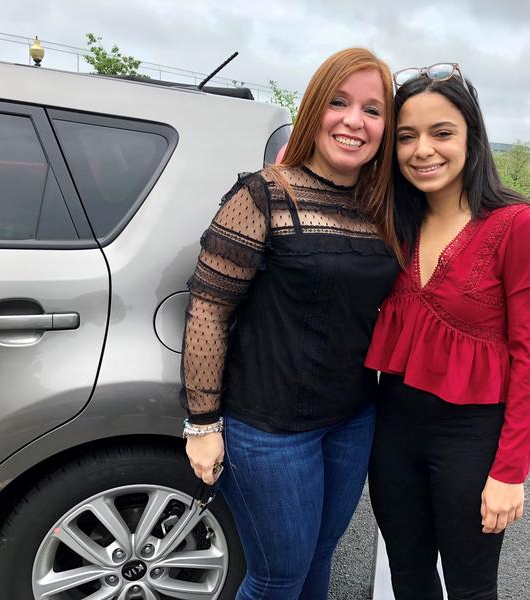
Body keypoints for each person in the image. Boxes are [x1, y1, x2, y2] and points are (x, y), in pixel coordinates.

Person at [180, 48, 400, 599]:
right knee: (277, 576)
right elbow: (209, 307)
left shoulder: (383, 209)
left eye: (373, 110)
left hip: (351, 420)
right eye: (340, 102)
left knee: (318, 558)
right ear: (312, 112)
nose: (355, 121)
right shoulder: (263, 194)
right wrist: (203, 424)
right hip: (269, 429)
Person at [365, 63, 530, 599]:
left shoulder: (515, 226)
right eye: (407, 137)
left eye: (441, 132)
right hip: (394, 432)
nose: (422, 149)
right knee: (408, 577)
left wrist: (511, 470)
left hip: (472, 440)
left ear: (472, 137)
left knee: (471, 589)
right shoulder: (394, 222)